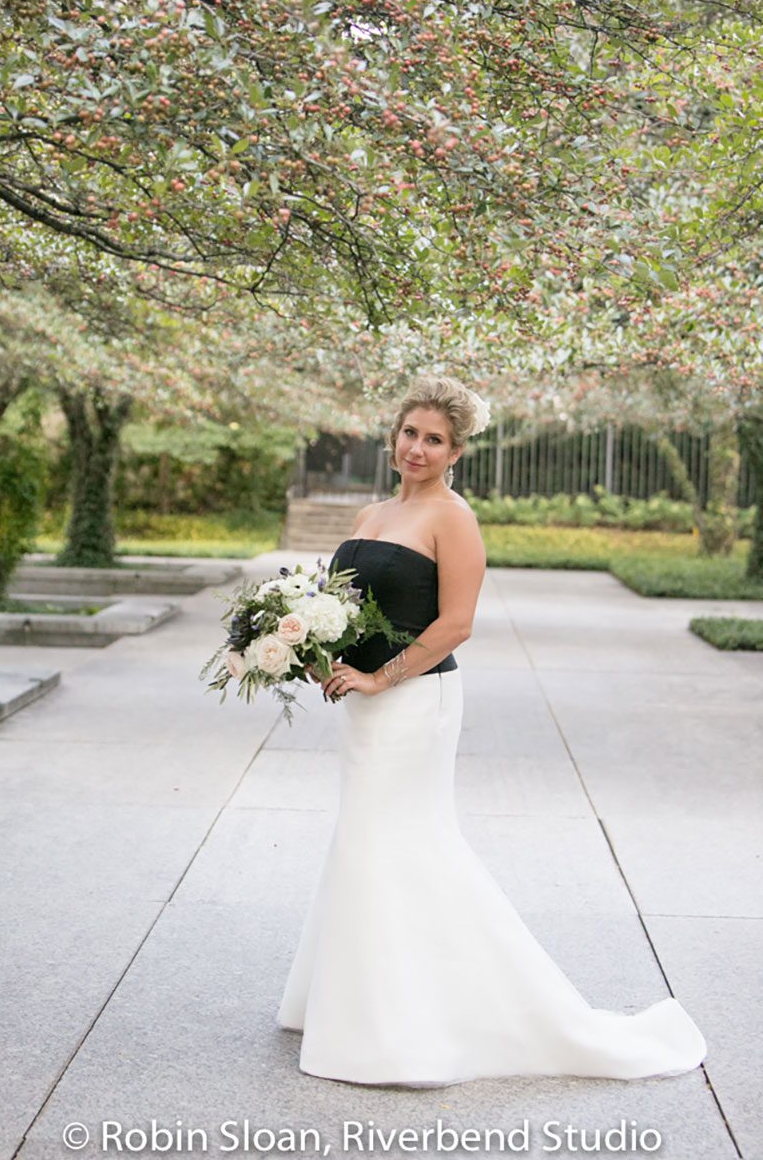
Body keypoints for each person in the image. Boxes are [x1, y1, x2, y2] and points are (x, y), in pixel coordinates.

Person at [276, 374, 706, 1087]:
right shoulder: (372, 509)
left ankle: (397, 1024)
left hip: (415, 704)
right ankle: (349, 996)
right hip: (360, 706)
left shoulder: (453, 517)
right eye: (411, 432)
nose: (418, 447)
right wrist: (314, 647)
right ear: (394, 436)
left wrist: (382, 678)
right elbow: (341, 604)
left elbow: (456, 623)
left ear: (456, 451)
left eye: (434, 439)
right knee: (364, 838)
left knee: (396, 840)